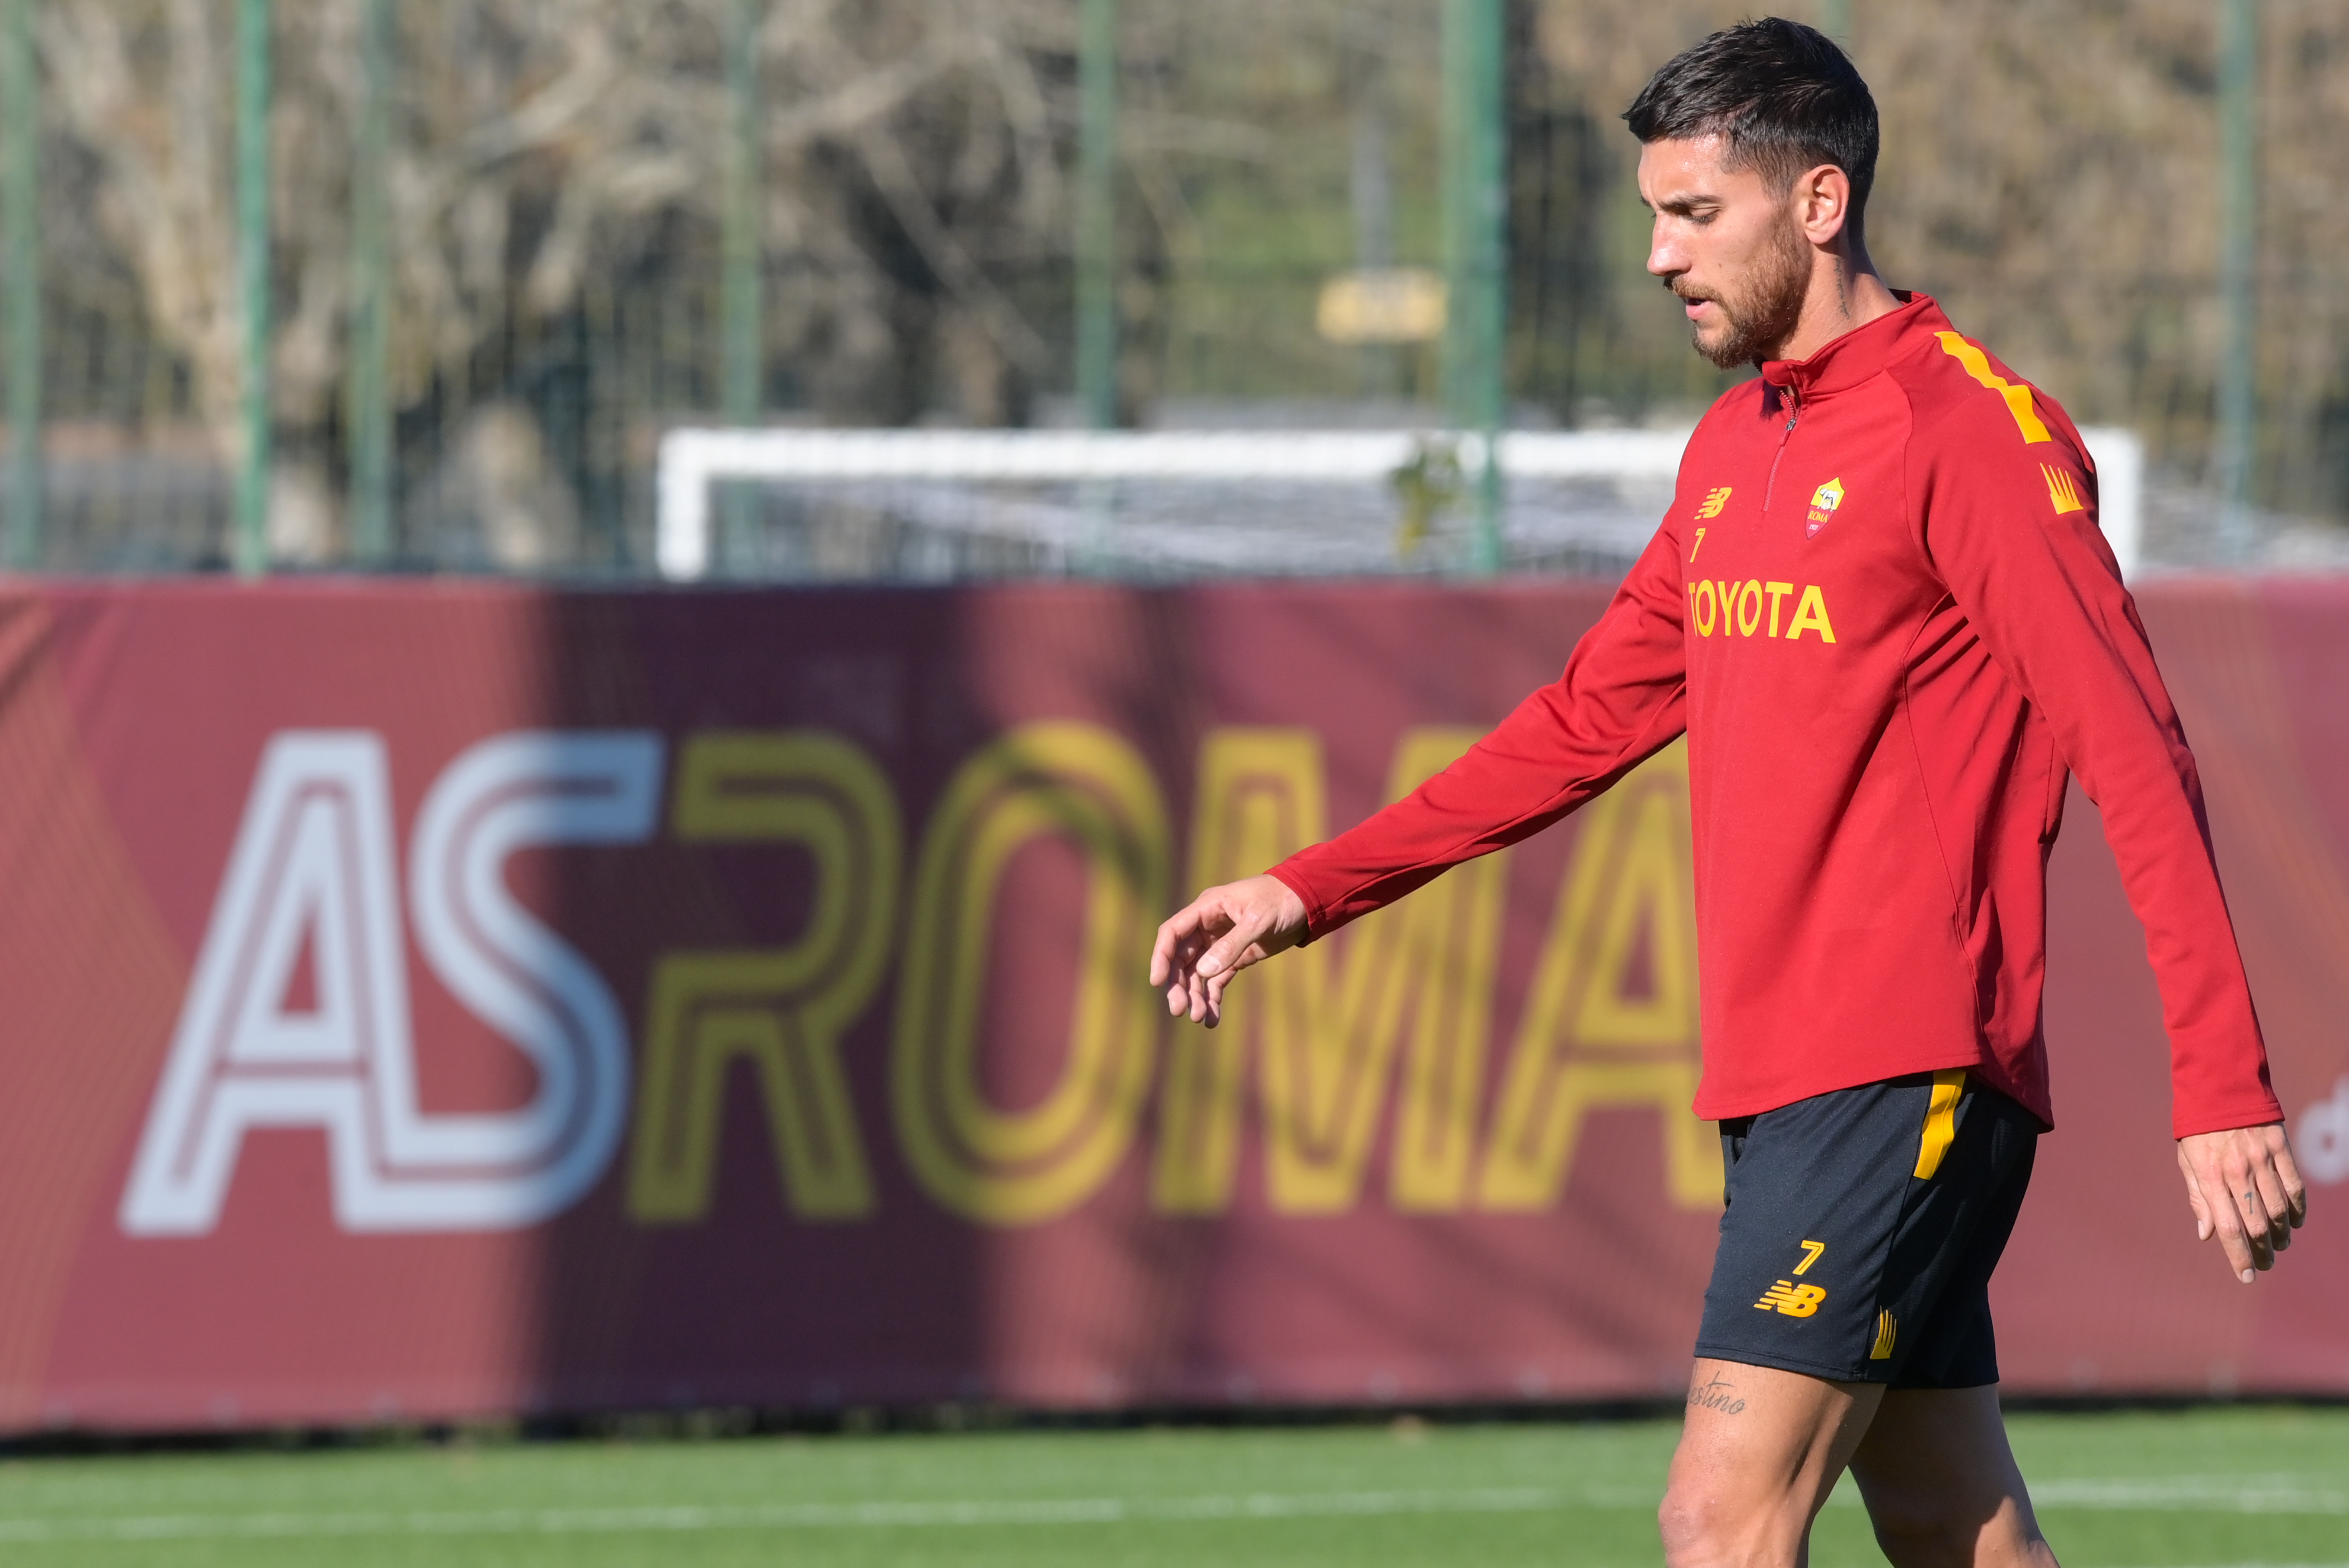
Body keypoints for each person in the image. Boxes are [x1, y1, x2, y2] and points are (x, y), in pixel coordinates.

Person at [1148, 17, 2309, 1568]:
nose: (1654, 254)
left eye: (1692, 213)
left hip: (1904, 1064)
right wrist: (1308, 888)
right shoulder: (1728, 452)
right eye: (1652, 215)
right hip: (1782, 1075)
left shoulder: (1964, 432)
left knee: (1717, 1522)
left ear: (1816, 204)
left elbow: (2132, 747)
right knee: (1947, 1524)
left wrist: (2220, 1081)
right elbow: (1577, 722)